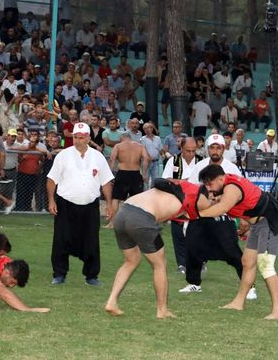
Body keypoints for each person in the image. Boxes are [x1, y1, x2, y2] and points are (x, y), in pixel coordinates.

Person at [105, 179, 210, 319]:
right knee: (159, 265)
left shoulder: (172, 190)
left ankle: (111, 302)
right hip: (142, 218)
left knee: (131, 261)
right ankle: (162, 310)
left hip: (123, 212)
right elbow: (211, 208)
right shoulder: (196, 196)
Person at [196, 164, 278, 320]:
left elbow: (222, 208)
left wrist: (198, 213)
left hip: (271, 222)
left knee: (265, 265)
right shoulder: (224, 188)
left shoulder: (231, 188)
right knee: (247, 262)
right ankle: (238, 302)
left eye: (209, 183)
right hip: (258, 225)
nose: (208, 187)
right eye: (205, 184)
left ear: (220, 178)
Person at [179, 134, 251, 298]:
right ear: (207, 149)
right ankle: (193, 283)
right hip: (201, 215)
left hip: (223, 215)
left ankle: (249, 285)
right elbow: (191, 190)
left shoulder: (231, 168)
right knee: (193, 247)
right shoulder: (200, 166)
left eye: (218, 147)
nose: (215, 150)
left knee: (232, 251)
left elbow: (241, 194)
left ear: (223, 149)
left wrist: (243, 217)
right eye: (212, 147)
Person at [47, 123, 114, 286]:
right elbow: (51, 179)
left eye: (81, 138)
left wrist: (110, 204)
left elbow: (106, 182)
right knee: (61, 239)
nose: (78, 141)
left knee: (91, 239)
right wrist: (51, 200)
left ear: (88, 138)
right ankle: (59, 274)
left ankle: (91, 276)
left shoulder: (98, 157)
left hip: (90, 204)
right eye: (76, 137)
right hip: (65, 203)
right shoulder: (63, 156)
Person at [161, 137, 201, 273]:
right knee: (178, 233)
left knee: (197, 233)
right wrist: (185, 182)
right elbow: (166, 179)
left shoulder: (201, 161)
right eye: (187, 151)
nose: (190, 154)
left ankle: (199, 262)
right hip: (178, 201)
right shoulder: (173, 161)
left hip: (197, 203)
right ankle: (182, 264)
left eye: (193, 151)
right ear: (181, 149)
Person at [109, 133, 150, 227]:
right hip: (136, 174)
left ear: (121, 138)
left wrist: (110, 174)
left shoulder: (118, 146)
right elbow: (146, 159)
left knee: (116, 198)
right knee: (137, 200)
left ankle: (113, 223)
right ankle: (136, 222)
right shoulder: (140, 146)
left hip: (122, 173)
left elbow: (112, 158)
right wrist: (143, 174)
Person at [141, 123, 162, 188]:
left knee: (155, 181)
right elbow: (143, 151)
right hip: (146, 163)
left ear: (152, 128)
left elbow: (160, 149)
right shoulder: (142, 139)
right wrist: (148, 158)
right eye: (144, 129)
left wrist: (163, 154)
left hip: (156, 162)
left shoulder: (158, 138)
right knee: (145, 181)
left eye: (148, 128)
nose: (146, 130)